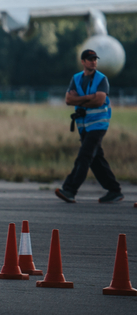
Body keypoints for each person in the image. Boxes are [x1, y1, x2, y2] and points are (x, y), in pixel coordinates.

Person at [55, 49, 123, 203]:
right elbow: (68, 100)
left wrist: (79, 99)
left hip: (98, 124)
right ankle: (114, 191)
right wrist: (88, 98)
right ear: (83, 62)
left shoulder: (102, 79)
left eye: (95, 59)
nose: (94, 62)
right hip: (84, 126)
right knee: (96, 159)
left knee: (84, 156)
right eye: (90, 59)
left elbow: (99, 101)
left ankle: (70, 190)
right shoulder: (76, 78)